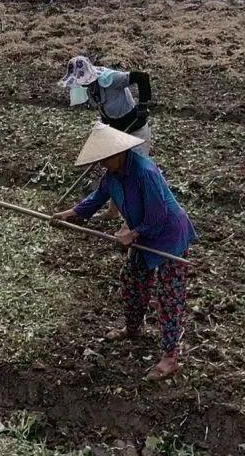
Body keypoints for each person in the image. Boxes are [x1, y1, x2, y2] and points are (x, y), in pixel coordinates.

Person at [53, 124, 196, 381]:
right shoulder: (112, 176)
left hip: (168, 236)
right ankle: (132, 328)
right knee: (132, 280)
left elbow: (158, 215)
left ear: (119, 153)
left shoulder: (145, 173)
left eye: (105, 158)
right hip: (143, 235)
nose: (102, 164)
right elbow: (97, 197)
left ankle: (170, 357)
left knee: (169, 296)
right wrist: (73, 213)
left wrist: (132, 233)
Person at [59, 55, 153, 153]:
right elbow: (103, 108)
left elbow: (142, 77)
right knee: (118, 166)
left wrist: (143, 106)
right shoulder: (91, 88)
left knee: (135, 165)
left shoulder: (110, 79)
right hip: (117, 132)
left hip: (135, 129)